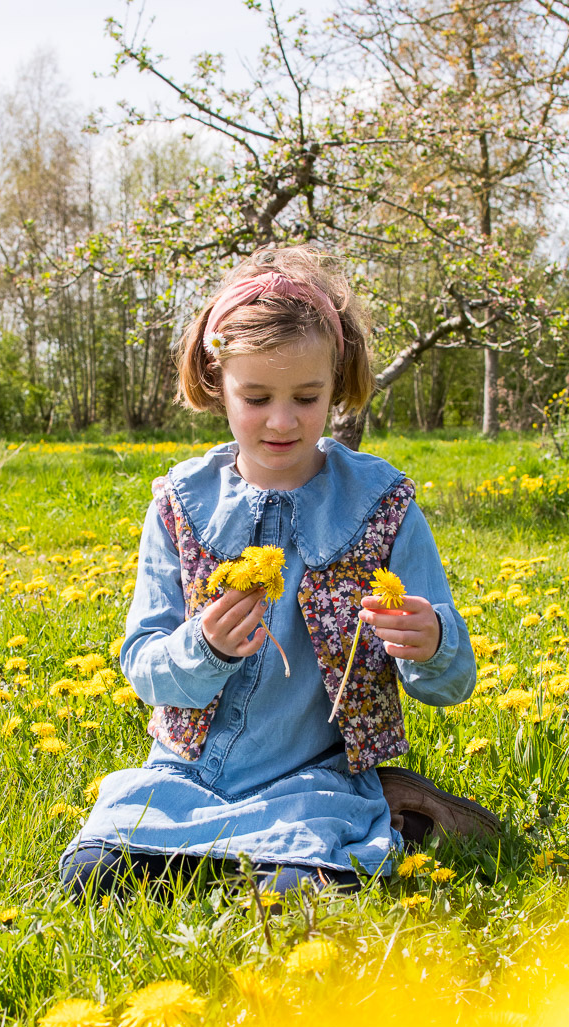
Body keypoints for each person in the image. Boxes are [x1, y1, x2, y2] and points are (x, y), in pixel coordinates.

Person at [60, 246, 478, 901]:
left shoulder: (380, 507)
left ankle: (352, 825)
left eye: (307, 398)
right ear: (216, 382)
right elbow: (143, 664)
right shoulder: (181, 506)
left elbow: (452, 684)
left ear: (336, 385)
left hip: (313, 779)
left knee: (301, 894)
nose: (282, 421)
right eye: (256, 397)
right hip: (189, 774)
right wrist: (203, 647)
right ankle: (329, 833)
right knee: (92, 874)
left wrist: (431, 643)